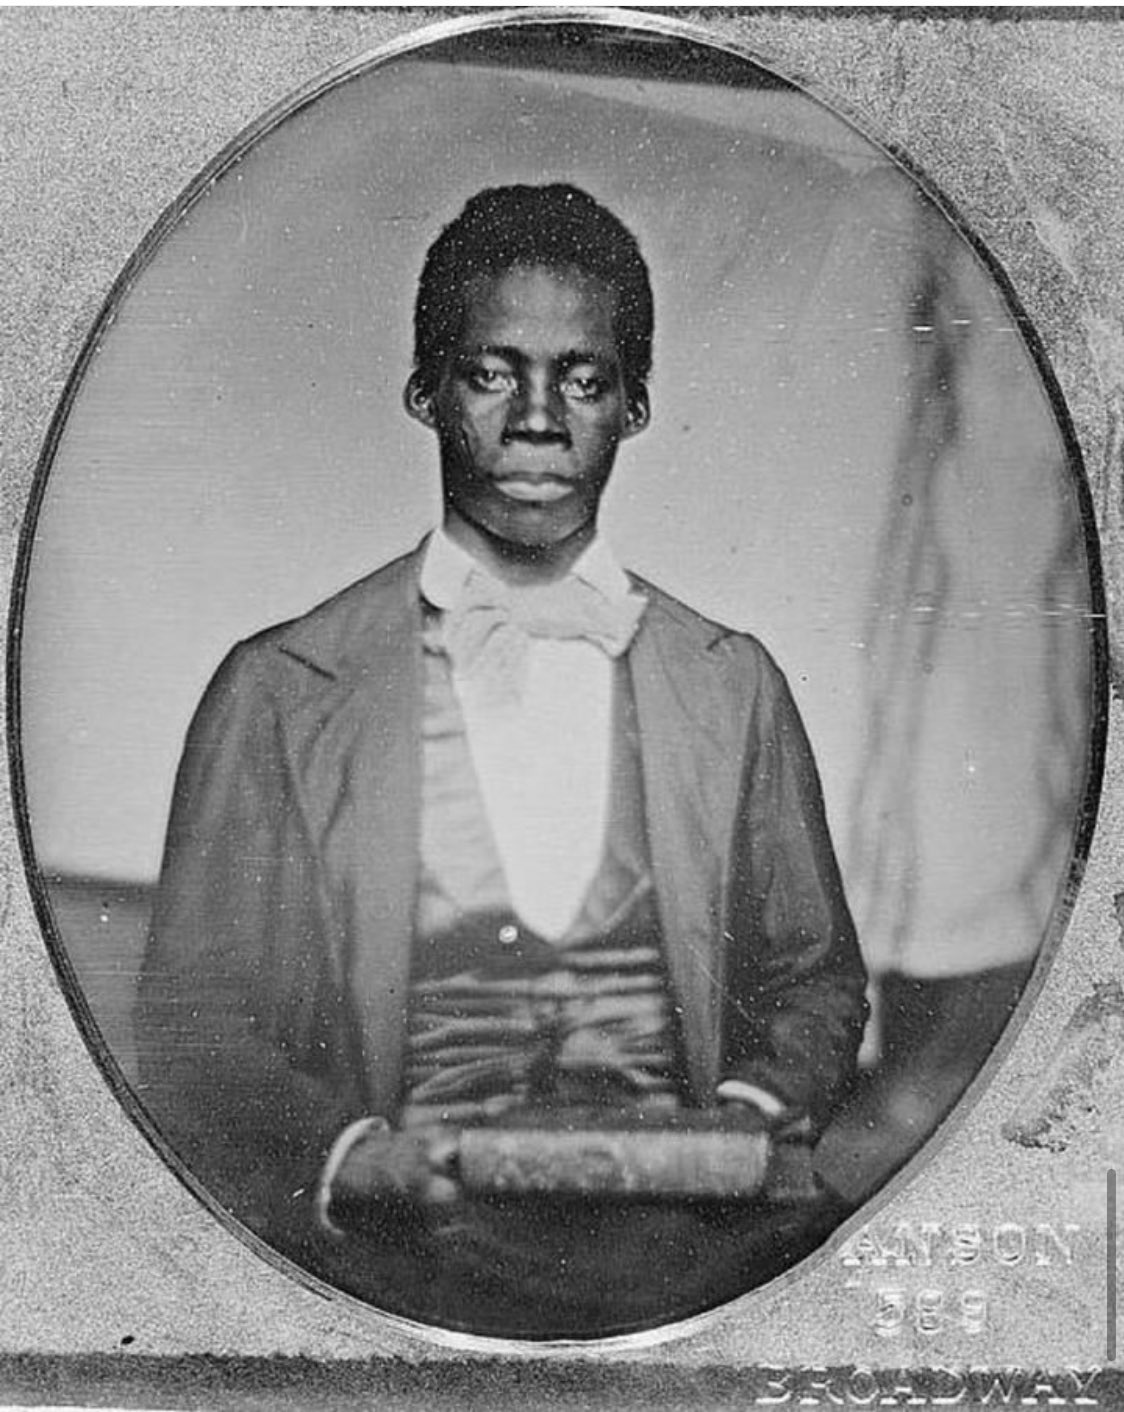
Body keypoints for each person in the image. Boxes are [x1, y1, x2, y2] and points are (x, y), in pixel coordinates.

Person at [135, 184, 868, 1336]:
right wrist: (344, 1154)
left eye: (582, 378)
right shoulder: (279, 690)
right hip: (399, 1260)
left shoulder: (733, 684)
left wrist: (732, 1122)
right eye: (491, 372)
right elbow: (191, 1013)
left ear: (631, 405)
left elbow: (816, 976)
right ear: (424, 391)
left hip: (691, 1245)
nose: (537, 417)